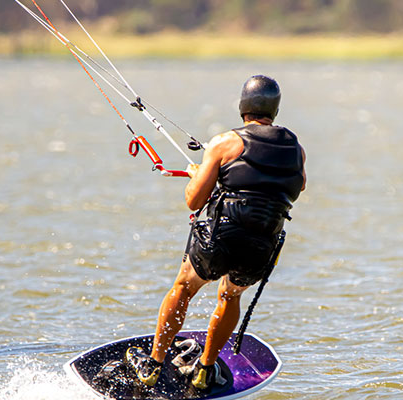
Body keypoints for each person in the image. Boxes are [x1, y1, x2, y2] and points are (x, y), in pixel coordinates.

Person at [124, 75, 306, 390]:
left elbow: (193, 200)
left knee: (183, 288)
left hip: (220, 239)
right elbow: (294, 188)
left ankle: (152, 367)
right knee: (230, 294)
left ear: (242, 106)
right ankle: (206, 370)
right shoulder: (296, 149)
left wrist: (201, 173)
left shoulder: (225, 142)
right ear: (275, 110)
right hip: (263, 247)